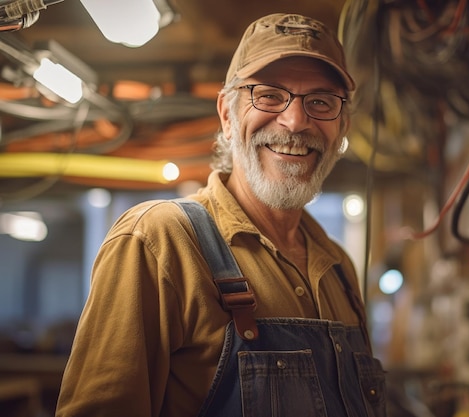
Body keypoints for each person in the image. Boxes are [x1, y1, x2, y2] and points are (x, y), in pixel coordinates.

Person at [55, 13, 386, 417]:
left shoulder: (340, 269)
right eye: (268, 95)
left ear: (343, 125)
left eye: (320, 101)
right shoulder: (159, 242)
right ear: (228, 115)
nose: (296, 121)